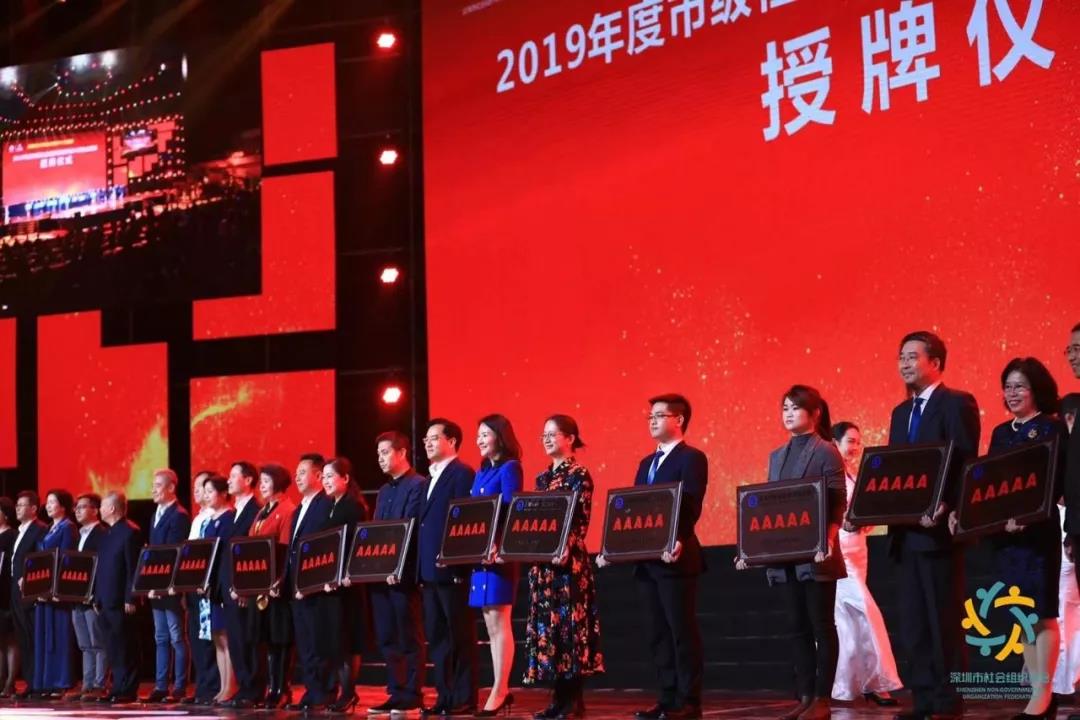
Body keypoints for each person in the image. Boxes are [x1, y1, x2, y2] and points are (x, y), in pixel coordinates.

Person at [951, 358, 1065, 719]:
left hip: (1038, 535)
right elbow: (990, 482)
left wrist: (1028, 518)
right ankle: (1039, 696)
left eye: (1020, 386)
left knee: (1043, 612)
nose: (1012, 393)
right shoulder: (1001, 432)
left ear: (1037, 390)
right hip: (1006, 538)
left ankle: (1043, 696)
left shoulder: (1053, 428)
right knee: (1024, 615)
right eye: (1008, 386)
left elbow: (1056, 481)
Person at [735, 387, 844, 720]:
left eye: (795, 408)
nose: (788, 414)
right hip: (785, 557)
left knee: (821, 625)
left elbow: (837, 502)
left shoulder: (826, 451)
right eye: (784, 408)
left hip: (817, 555)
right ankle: (806, 696)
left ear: (815, 414)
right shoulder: (776, 455)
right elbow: (771, 505)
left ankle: (822, 699)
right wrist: (752, 549)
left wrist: (828, 538)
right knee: (797, 627)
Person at [888, 331, 980, 720]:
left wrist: (950, 505)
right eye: (901, 357)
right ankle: (924, 698)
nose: (904, 364)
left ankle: (949, 701)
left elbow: (965, 461)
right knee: (914, 623)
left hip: (940, 531)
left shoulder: (956, 403)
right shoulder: (900, 413)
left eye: (912, 356)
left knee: (943, 620)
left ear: (936, 362)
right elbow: (895, 471)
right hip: (906, 532)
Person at [602, 393, 706, 720]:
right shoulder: (646, 463)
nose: (653, 421)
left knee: (681, 631)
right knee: (657, 633)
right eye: (650, 416)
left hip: (675, 558)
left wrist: (679, 538)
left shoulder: (692, 458)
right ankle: (667, 698)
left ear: (679, 420)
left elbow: (691, 503)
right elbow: (636, 508)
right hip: (647, 561)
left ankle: (689, 702)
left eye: (659, 415)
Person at [524, 415, 604, 719]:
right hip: (545, 565)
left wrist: (564, 547)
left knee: (570, 630)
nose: (546, 439)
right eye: (543, 434)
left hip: (568, 564)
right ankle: (558, 700)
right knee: (551, 632)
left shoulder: (579, 475)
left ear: (570, 438)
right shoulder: (542, 479)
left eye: (552, 434)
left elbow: (580, 521)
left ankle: (573, 702)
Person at [829, 422, 902, 707]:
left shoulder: (853, 473)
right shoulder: (830, 474)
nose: (856, 447)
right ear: (835, 442)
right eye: (850, 441)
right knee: (864, 612)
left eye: (858, 442)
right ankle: (877, 683)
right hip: (840, 550)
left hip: (859, 549)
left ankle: (852, 684)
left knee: (850, 620)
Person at [418, 418, 479, 717]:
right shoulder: (428, 478)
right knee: (438, 637)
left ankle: (464, 696)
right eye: (426, 439)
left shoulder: (462, 473)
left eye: (434, 438)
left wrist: (456, 560)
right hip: (429, 571)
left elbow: (464, 520)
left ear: (452, 441)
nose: (428, 443)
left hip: (453, 569)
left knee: (460, 636)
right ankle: (445, 696)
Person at [364, 432, 426, 714]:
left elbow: (409, 528)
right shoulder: (384, 491)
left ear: (402, 453)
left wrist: (395, 565)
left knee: (408, 634)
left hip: (403, 574)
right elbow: (377, 530)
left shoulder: (417, 484)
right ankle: (396, 690)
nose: (380, 458)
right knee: (387, 635)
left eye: (385, 452)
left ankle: (412, 692)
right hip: (380, 574)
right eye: (378, 454)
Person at [471, 414, 524, 716]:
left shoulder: (510, 467)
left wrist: (499, 544)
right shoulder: (482, 471)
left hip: (498, 552)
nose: (479, 440)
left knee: (499, 620)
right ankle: (499, 688)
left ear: (500, 437)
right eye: (478, 435)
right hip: (480, 554)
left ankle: (500, 689)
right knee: (489, 622)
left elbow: (512, 508)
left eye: (485, 434)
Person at [322, 456, 372, 713]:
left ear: (345, 478)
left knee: (348, 639)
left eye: (330, 476)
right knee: (336, 639)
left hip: (348, 583)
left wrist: (347, 573)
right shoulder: (330, 506)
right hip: (331, 584)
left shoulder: (353, 507)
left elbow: (357, 545)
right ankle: (342, 691)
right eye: (323, 477)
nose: (326, 481)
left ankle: (349, 692)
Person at [286, 453, 335, 713]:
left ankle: (323, 691)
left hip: (315, 585)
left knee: (319, 641)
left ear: (318, 475)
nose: (297, 478)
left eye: (302, 472)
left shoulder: (325, 504)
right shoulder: (298, 509)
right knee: (304, 642)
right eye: (296, 473)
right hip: (297, 586)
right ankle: (311, 690)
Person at [248, 463, 296, 709]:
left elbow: (286, 549)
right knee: (266, 638)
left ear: (277, 483)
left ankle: (281, 688)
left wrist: (280, 580)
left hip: (277, 585)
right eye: (261, 482)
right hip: (260, 586)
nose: (262, 486)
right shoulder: (262, 512)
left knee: (280, 637)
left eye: (266, 481)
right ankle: (271, 687)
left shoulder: (288, 510)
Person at [144, 469, 191, 703]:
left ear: (171, 487)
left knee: (176, 636)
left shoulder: (179, 515)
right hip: (156, 584)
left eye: (158, 485)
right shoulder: (156, 514)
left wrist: (171, 583)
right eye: (153, 485)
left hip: (170, 585)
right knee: (160, 636)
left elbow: (176, 553)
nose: (153, 490)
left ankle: (180, 685)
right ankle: (161, 685)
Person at [219, 461, 262, 708]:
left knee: (248, 639)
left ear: (248, 480)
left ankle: (253, 689)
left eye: (233, 476)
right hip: (228, 587)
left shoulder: (256, 510)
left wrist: (245, 587)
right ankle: (243, 687)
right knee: (235, 639)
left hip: (244, 588)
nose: (229, 480)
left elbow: (251, 551)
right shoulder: (232, 513)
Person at [93, 492, 141, 704]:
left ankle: (127, 689)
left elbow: (133, 567)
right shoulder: (107, 534)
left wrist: (130, 597)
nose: (100, 510)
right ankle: (117, 686)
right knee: (112, 646)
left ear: (112, 508)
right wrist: (96, 596)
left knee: (125, 646)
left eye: (102, 506)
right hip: (105, 599)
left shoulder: (130, 532)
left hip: (121, 601)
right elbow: (101, 568)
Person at [32, 489, 78, 697]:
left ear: (63, 506)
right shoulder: (50, 528)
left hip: (57, 592)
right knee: (45, 635)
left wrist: (55, 587)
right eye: (48, 502)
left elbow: (67, 559)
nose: (48, 506)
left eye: (53, 502)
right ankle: (46, 681)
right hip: (43, 589)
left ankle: (61, 681)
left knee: (59, 635)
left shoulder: (68, 527)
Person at [183, 470, 220, 705]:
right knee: (196, 638)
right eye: (196, 487)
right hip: (193, 586)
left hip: (207, 586)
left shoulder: (215, 519)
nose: (197, 492)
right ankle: (202, 687)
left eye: (203, 487)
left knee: (210, 639)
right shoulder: (198, 519)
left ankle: (213, 687)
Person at [200, 473, 238, 704]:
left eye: (210, 491)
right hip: (210, 585)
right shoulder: (209, 521)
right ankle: (223, 686)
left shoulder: (229, 518)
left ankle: (231, 686)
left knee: (226, 637)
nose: (206, 496)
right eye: (204, 492)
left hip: (223, 583)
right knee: (216, 637)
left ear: (224, 493)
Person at [68, 493, 108, 701]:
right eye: (76, 507)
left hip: (92, 598)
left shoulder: (102, 534)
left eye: (83, 507)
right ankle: (87, 684)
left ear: (95, 510)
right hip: (78, 598)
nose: (77, 510)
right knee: (84, 644)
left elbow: (102, 568)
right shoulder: (79, 535)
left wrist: (95, 595)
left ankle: (100, 685)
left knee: (98, 642)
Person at [10, 491, 45, 699]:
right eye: (17, 504)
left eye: (22, 505)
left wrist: (30, 579)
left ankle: (36, 683)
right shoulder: (20, 531)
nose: (17, 508)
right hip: (16, 589)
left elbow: (41, 558)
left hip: (29, 589)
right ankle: (30, 681)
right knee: (23, 637)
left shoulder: (39, 529)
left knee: (32, 637)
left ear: (33, 508)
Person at [0, 497, 19, 697]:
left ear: (5, 514)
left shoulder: (13, 535)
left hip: (7, 591)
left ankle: (10, 681)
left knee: (11, 639)